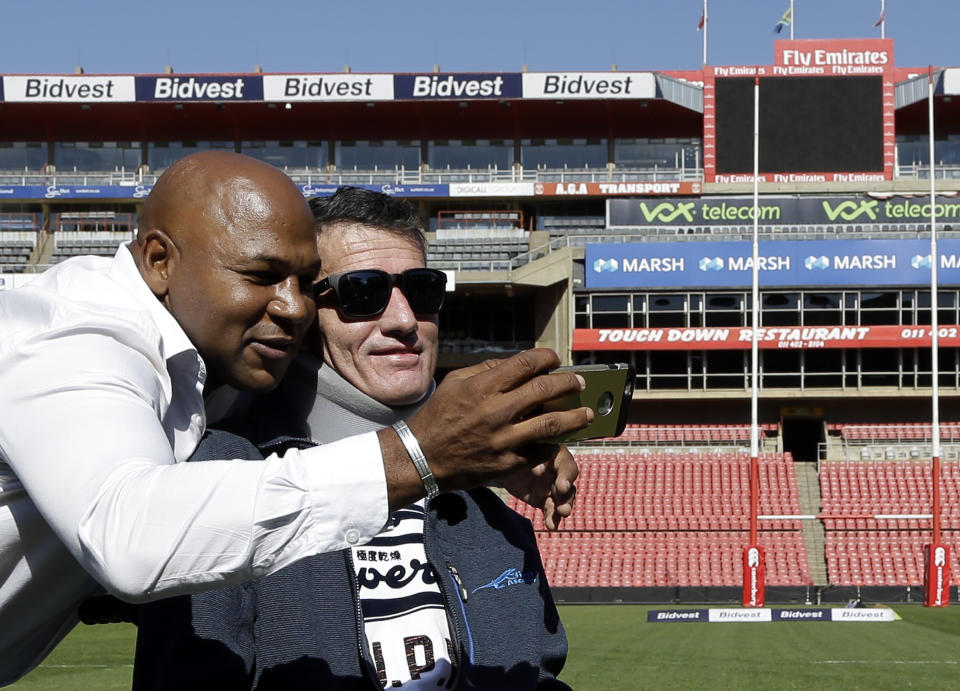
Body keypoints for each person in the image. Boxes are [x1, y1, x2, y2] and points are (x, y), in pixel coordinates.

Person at [0, 154, 589, 685]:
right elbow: (131, 539)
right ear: (160, 261)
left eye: (424, 290)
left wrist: (485, 439)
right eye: (360, 292)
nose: (292, 307)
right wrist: (424, 451)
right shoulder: (73, 337)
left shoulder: (222, 372)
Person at [133, 187, 573, 689]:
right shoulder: (223, 474)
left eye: (423, 290)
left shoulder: (488, 512)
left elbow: (538, 673)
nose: (405, 320)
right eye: (363, 292)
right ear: (299, 311)